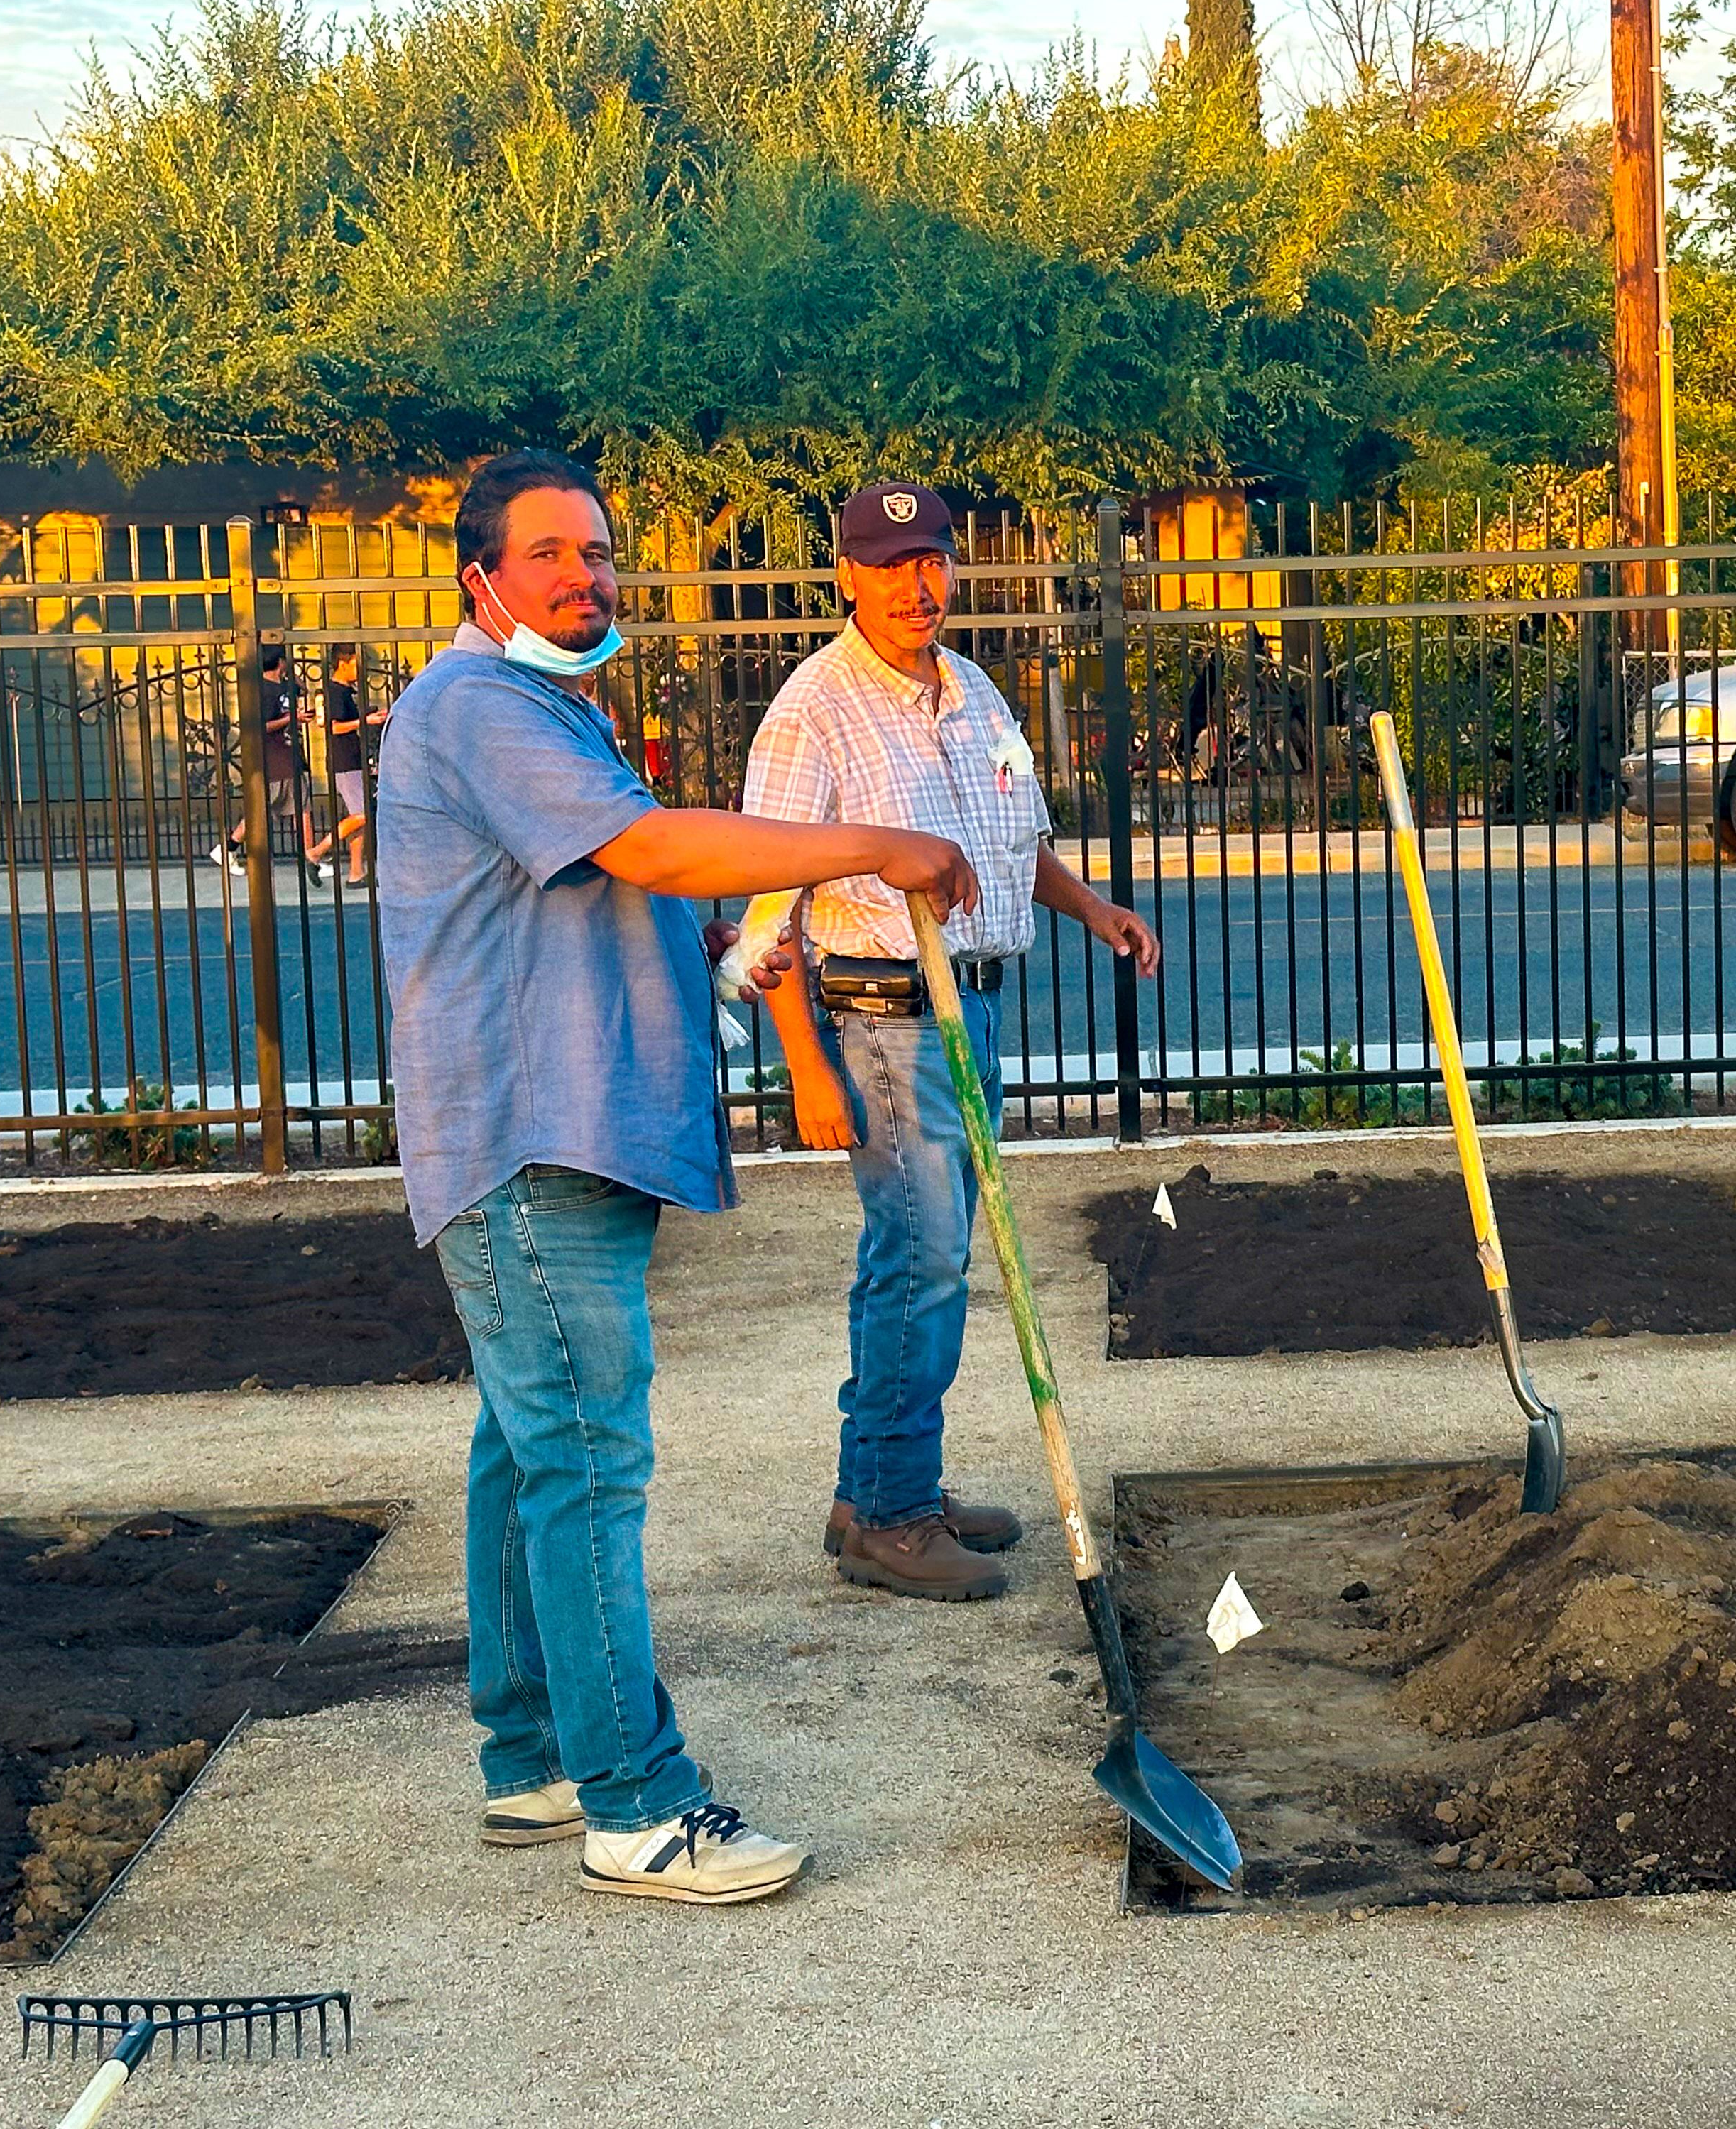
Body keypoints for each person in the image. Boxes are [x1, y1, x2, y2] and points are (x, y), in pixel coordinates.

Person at [376, 448, 986, 1908]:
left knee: (529, 1454)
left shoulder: (542, 705)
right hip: (531, 1144)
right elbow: (650, 847)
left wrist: (717, 962)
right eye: (548, 554)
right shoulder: (476, 705)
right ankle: (640, 1808)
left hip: (562, 1136)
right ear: (480, 577)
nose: (586, 576)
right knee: (587, 1462)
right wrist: (876, 840)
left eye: (597, 551)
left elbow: (606, 891)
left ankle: (529, 1758)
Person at [741, 481, 1158, 1602]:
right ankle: (893, 1517)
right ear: (847, 576)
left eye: (931, 561)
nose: (916, 585)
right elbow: (762, 907)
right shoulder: (813, 709)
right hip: (884, 1021)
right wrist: (803, 1066)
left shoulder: (973, 690)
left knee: (915, 1264)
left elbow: (1017, 835)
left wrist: (1094, 909)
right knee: (924, 1266)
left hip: (976, 1007)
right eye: (889, 565)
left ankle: (872, 1487)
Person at [209, 644, 322, 885]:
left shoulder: (285, 685)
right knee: (287, 810)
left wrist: (291, 675)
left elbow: (302, 690)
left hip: (289, 755)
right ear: (279, 661)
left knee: (292, 810)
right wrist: (291, 718)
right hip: (275, 757)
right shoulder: (260, 691)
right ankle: (309, 858)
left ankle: (229, 848)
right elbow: (259, 727)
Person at [307, 643, 383, 884]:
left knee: (358, 817)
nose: (361, 670)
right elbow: (332, 726)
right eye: (356, 664)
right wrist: (365, 720)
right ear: (343, 663)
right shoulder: (334, 692)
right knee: (362, 815)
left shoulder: (346, 691)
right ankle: (317, 852)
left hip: (353, 758)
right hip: (344, 761)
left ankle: (356, 873)